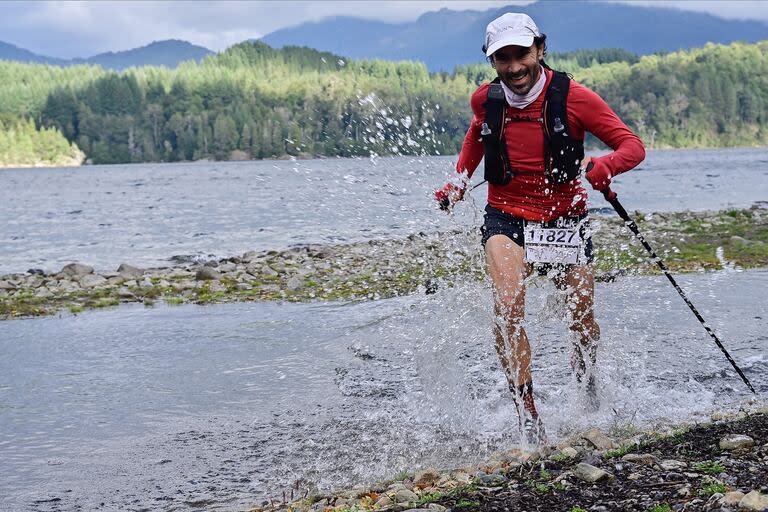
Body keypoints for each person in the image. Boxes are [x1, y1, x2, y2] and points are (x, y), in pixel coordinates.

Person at [435, 12, 645, 445]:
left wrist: (605, 165)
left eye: (521, 54)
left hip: (563, 218)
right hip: (506, 216)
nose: (513, 67)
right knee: (508, 305)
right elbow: (477, 136)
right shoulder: (486, 100)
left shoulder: (576, 99)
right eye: (502, 58)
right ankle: (528, 414)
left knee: (582, 318)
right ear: (491, 60)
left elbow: (632, 147)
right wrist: (458, 181)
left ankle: (587, 388)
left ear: (540, 49)